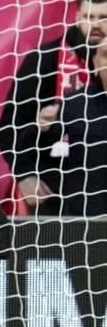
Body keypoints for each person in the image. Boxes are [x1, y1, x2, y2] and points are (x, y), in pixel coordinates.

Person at [0, 0, 107, 214]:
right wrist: (24, 174)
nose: (96, 24)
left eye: (104, 17)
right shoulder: (45, 59)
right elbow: (9, 126)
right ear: (77, 17)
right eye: (89, 16)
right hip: (55, 188)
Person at [53, 43, 107, 216]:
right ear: (95, 62)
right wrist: (41, 130)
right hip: (85, 220)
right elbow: (43, 156)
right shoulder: (73, 104)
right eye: (106, 55)